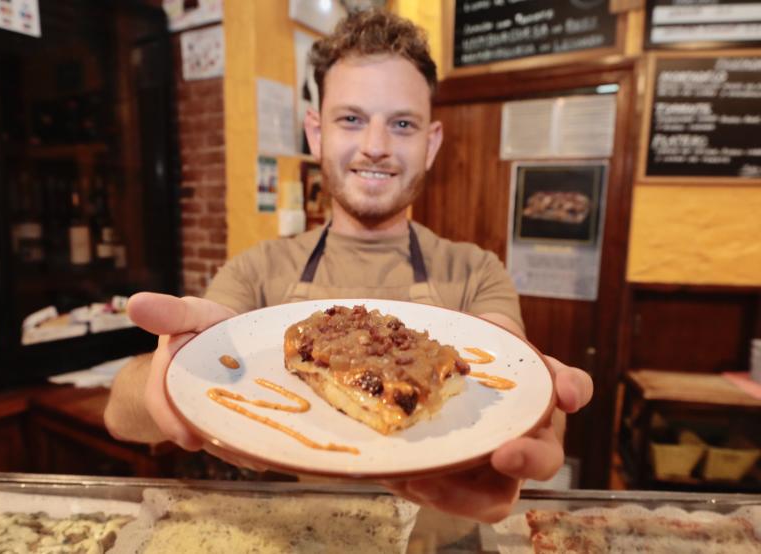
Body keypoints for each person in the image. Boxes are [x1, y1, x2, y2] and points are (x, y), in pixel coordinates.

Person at [104, 9, 593, 524]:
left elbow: (509, 375)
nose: (376, 146)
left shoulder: (476, 271)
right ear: (315, 133)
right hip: (293, 534)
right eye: (351, 119)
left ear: (431, 143)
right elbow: (119, 414)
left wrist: (533, 414)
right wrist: (174, 370)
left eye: (402, 124)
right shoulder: (258, 270)